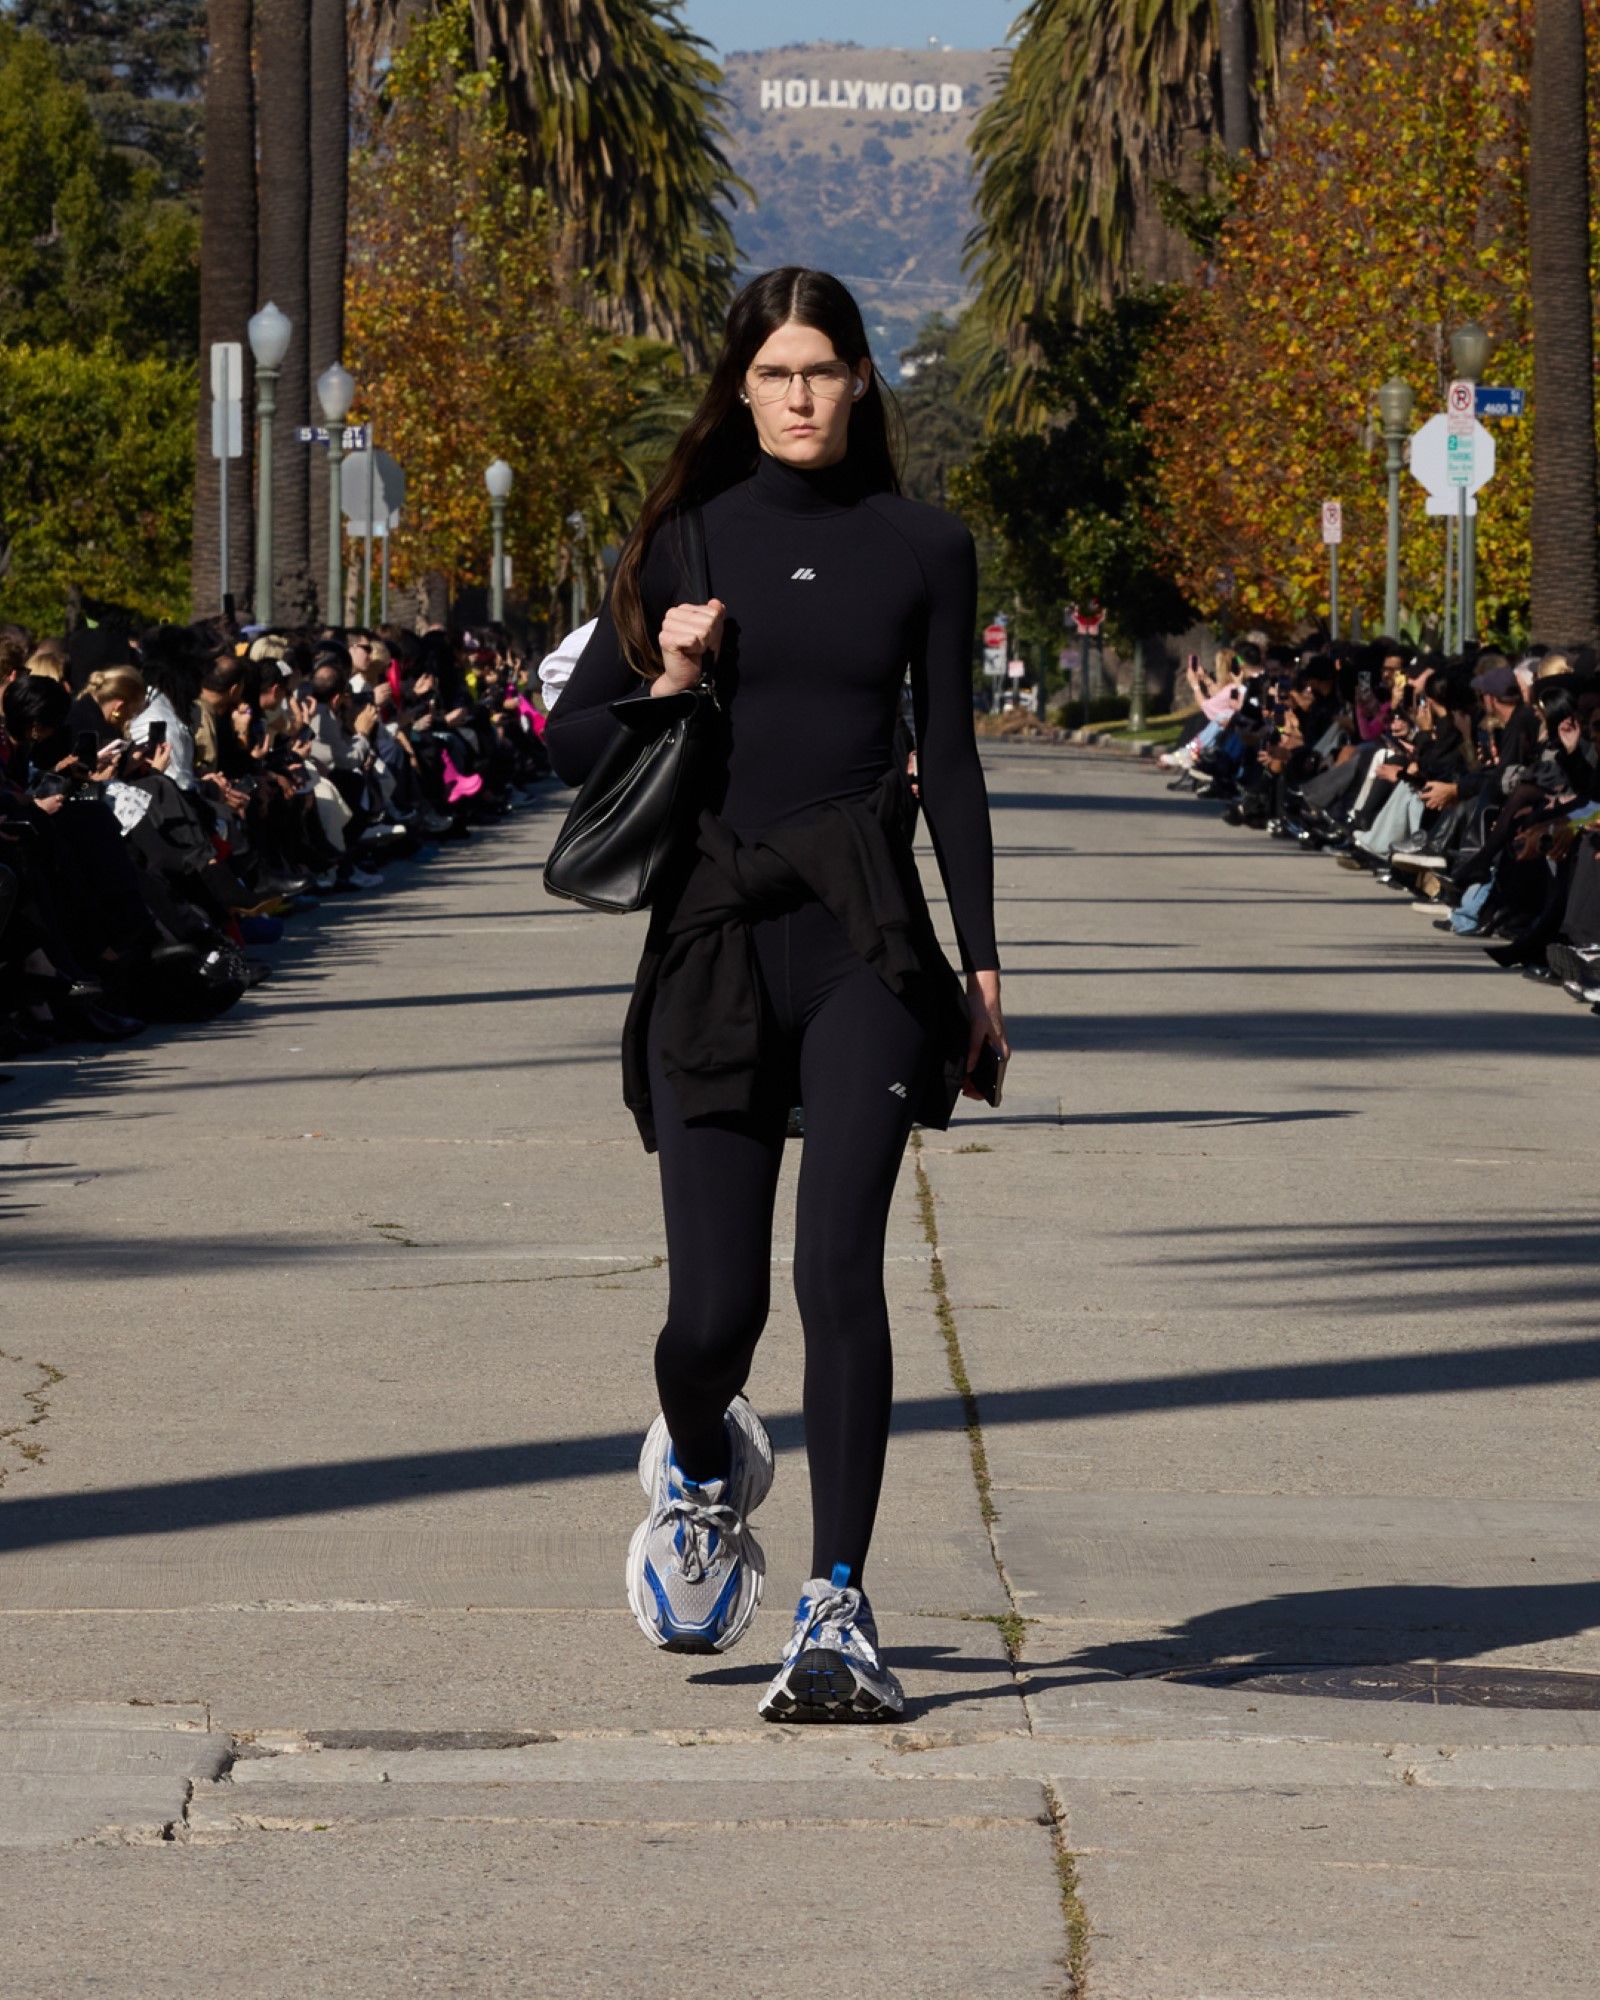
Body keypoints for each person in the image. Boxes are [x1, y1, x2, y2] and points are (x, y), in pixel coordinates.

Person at [545, 267, 1005, 1723]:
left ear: (862, 377)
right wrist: (674, 675)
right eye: (776, 373)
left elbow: (953, 764)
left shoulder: (925, 545)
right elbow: (567, 745)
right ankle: (697, 1462)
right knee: (713, 1316)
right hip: (715, 935)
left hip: (866, 937)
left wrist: (981, 963)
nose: (802, 395)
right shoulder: (683, 537)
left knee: (838, 1275)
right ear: (740, 389)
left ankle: (837, 1608)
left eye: (824, 368)